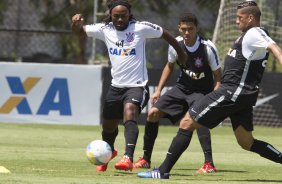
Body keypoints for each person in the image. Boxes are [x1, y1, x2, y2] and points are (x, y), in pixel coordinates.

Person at [137, 1, 282, 179]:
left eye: (239, 18)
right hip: (241, 96)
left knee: (187, 122)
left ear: (251, 18)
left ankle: (162, 171)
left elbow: (275, 49)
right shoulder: (251, 35)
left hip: (232, 91)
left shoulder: (255, 33)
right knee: (246, 142)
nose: (237, 21)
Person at [71, 0, 187, 172]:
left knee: (129, 112)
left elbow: (165, 34)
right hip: (116, 87)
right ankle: (107, 154)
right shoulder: (105, 30)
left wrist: (181, 53)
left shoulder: (140, 28)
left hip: (137, 85)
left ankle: (128, 157)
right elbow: (80, 32)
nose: (119, 19)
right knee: (108, 126)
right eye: (116, 16)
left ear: (129, 15)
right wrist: (75, 24)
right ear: (110, 15)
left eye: (123, 16)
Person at [133, 13, 221, 174]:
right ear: (179, 28)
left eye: (190, 29)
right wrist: (158, 90)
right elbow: (169, 66)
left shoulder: (208, 47)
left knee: (198, 120)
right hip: (181, 88)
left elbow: (217, 76)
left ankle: (209, 164)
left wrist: (213, 97)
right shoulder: (176, 44)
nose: (187, 33)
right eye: (184, 29)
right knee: (152, 113)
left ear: (197, 29)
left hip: (201, 91)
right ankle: (145, 159)